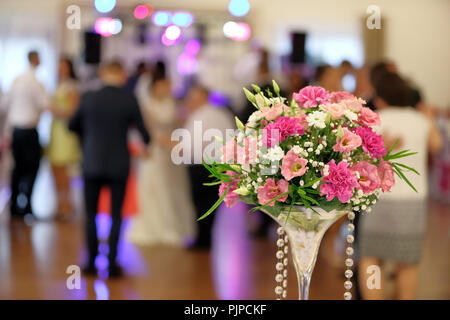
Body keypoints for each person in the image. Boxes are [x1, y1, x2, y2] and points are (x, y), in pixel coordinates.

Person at [357, 71, 443, 299]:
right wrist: (430, 119)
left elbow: (361, 160)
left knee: (372, 258)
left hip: (380, 200)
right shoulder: (421, 120)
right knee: (407, 263)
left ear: (380, 97)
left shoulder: (376, 119)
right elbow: (437, 145)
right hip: (413, 201)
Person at [69, 61, 150, 277]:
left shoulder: (88, 97)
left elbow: (72, 125)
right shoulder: (128, 99)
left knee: (90, 214)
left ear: (104, 74)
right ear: (122, 75)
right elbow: (144, 133)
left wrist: (87, 140)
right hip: (118, 164)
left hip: (91, 162)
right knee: (116, 215)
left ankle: (91, 262)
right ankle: (112, 264)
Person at [128, 76, 196, 246]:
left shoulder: (173, 103)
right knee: (155, 187)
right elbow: (146, 129)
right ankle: (155, 226)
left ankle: (174, 225)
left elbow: (179, 124)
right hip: (156, 149)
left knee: (174, 186)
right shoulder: (147, 105)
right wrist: (161, 139)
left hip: (172, 150)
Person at [184, 86, 234, 249]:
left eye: (192, 99)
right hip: (220, 165)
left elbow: (189, 145)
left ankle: (202, 240)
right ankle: (207, 238)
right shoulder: (222, 114)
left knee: (200, 204)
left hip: (200, 165)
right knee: (212, 204)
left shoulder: (198, 116)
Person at [3, 50, 49, 218]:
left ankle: (15, 205)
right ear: (36, 59)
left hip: (16, 131)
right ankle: (27, 205)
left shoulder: (17, 80)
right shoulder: (36, 82)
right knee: (32, 168)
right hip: (29, 131)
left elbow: (6, 105)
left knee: (18, 168)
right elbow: (44, 105)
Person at [46, 57, 81, 220]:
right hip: (56, 130)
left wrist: (54, 110)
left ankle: (68, 205)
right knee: (55, 169)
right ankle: (59, 204)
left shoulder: (71, 86)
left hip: (65, 131)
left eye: (63, 66)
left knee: (65, 170)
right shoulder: (58, 84)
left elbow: (73, 111)